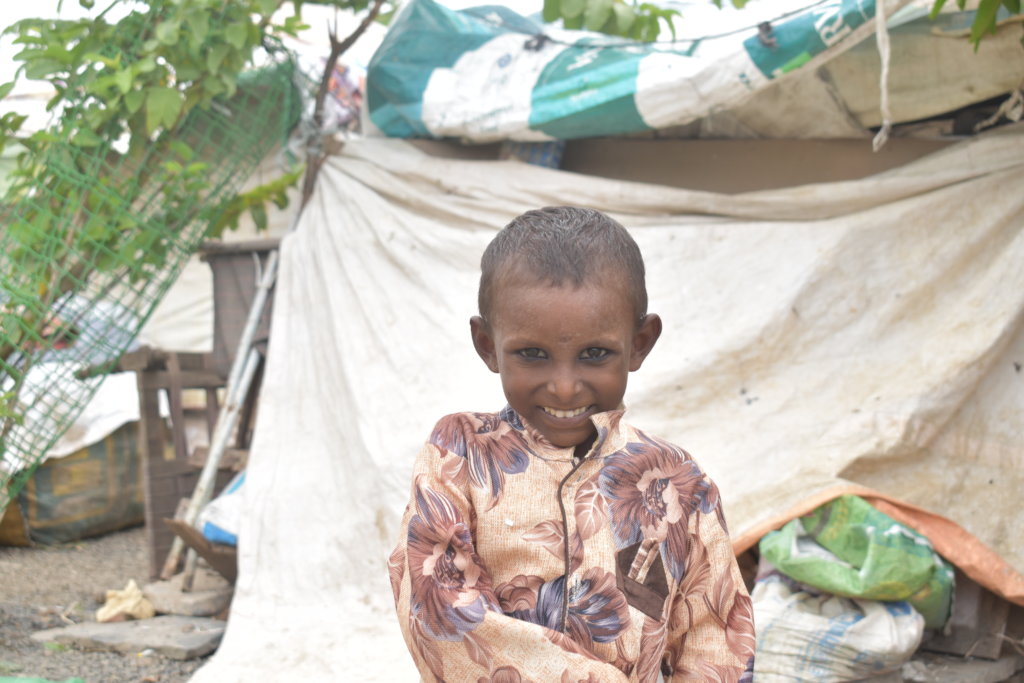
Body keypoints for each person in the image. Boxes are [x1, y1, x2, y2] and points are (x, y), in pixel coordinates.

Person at [388, 206, 755, 682]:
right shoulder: (458, 455)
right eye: (533, 354)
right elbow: (439, 609)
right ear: (487, 345)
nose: (564, 387)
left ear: (640, 343)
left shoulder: (676, 482)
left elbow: (715, 635)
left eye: (595, 354)